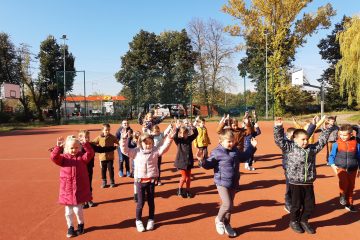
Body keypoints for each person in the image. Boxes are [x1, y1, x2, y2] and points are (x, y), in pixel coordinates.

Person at [274, 117, 333, 234]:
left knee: (310, 205)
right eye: (303, 139)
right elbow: (279, 140)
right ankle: (294, 221)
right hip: (295, 183)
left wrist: (326, 130)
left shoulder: (311, 149)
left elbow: (321, 142)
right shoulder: (290, 148)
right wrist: (278, 127)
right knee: (296, 206)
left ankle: (304, 220)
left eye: (307, 139)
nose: (306, 142)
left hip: (308, 182)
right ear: (294, 139)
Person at [198, 129, 257, 237]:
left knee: (230, 207)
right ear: (221, 141)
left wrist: (252, 147)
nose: (231, 143)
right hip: (221, 182)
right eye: (228, 141)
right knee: (227, 204)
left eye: (232, 141)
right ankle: (219, 220)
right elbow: (208, 165)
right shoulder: (216, 152)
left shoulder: (235, 150)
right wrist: (202, 161)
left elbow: (244, 157)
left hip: (234, 181)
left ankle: (227, 224)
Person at [120, 127, 174, 232]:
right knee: (140, 203)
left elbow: (164, 147)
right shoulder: (136, 152)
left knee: (151, 201)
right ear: (140, 143)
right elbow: (124, 150)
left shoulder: (155, 152)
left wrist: (170, 137)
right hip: (140, 181)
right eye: (145, 143)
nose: (148, 145)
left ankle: (151, 219)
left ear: (153, 143)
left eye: (150, 143)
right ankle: (138, 220)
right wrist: (123, 139)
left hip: (151, 181)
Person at [50, 135, 95, 238]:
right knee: (68, 212)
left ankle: (81, 224)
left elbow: (90, 153)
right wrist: (58, 147)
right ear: (66, 148)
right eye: (71, 148)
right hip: (67, 190)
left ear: (79, 148)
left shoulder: (82, 158)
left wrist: (85, 144)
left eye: (76, 147)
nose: (74, 150)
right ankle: (70, 227)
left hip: (79, 190)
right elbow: (54, 157)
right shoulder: (63, 159)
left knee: (78, 210)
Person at [78, 130, 117, 208]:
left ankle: (89, 199)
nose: (86, 138)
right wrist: (57, 149)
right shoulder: (78, 146)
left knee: (89, 184)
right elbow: (67, 149)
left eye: (87, 137)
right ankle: (83, 201)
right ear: (79, 138)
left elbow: (101, 149)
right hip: (80, 169)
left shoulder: (91, 145)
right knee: (81, 185)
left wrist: (113, 147)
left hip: (89, 168)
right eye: (84, 137)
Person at [328, 124, 360, 212]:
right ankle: (342, 194)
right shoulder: (336, 144)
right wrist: (332, 165)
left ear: (351, 134)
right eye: (340, 134)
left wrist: (359, 168)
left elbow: (359, 157)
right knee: (344, 183)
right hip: (341, 168)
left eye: (345, 135)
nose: (342, 137)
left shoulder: (356, 144)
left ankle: (349, 204)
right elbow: (331, 156)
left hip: (353, 169)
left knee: (351, 186)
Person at [174, 119, 199, 198]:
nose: (185, 134)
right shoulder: (179, 141)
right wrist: (177, 128)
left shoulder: (189, 139)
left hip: (189, 161)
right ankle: (180, 189)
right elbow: (175, 137)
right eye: (183, 133)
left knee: (188, 177)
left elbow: (196, 134)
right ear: (180, 134)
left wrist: (193, 127)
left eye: (186, 133)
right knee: (184, 177)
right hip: (182, 162)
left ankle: (188, 190)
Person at [92, 123, 118, 188]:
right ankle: (104, 181)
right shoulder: (99, 137)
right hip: (102, 157)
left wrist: (119, 144)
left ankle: (112, 181)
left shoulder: (112, 137)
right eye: (106, 130)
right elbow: (93, 143)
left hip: (110, 157)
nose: (107, 131)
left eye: (109, 130)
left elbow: (118, 141)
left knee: (110, 169)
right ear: (102, 130)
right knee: (103, 170)